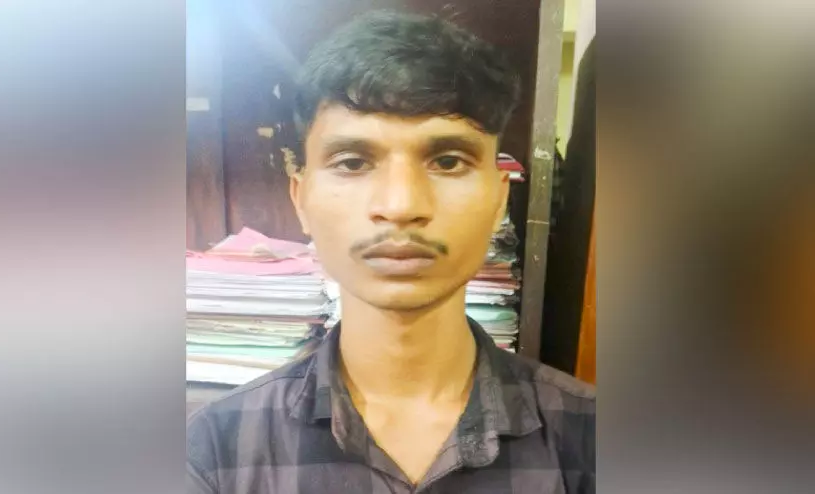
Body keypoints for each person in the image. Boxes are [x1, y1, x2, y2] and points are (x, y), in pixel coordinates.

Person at [187, 11, 595, 494]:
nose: (401, 206)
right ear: (300, 199)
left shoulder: (594, 440)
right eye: (352, 162)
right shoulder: (212, 453)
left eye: (448, 161)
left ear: (499, 201)